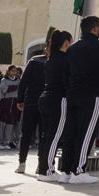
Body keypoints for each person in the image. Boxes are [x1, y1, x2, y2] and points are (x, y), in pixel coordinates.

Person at [60, 15, 99, 184]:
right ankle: (79, 171)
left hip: (72, 95)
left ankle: (66, 171)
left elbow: (66, 73)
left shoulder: (72, 48)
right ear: (94, 28)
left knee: (70, 133)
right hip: (90, 96)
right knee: (86, 133)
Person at [36, 31, 72, 181]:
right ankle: (47, 171)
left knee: (46, 136)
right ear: (66, 43)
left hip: (45, 98)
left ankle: (43, 168)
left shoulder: (50, 58)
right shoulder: (66, 59)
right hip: (58, 99)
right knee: (54, 136)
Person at [15, 46, 47, 174]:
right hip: (42, 101)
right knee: (42, 134)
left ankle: (24, 163)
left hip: (33, 100)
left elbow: (23, 82)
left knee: (27, 133)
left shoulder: (34, 61)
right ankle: (37, 163)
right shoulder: (56, 62)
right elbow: (24, 82)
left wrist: (20, 98)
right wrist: (20, 98)